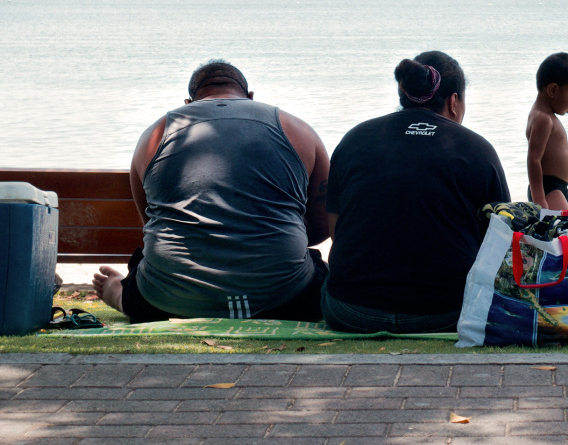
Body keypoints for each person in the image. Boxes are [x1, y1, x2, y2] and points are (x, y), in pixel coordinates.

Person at [92, 60, 330, 322]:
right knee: (317, 271)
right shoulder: (297, 129)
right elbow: (322, 226)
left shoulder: (153, 136)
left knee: (143, 269)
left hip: (168, 300)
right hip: (286, 297)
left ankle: (118, 293)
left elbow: (152, 224)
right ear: (250, 97)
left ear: (188, 103)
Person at [323, 51, 510, 333]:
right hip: (448, 312)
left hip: (351, 311)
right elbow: (499, 241)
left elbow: (337, 232)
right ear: (454, 101)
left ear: (404, 92)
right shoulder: (477, 149)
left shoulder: (354, 139)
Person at [526, 52, 568, 211]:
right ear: (553, 90)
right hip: (548, 188)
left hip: (556, 187)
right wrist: (539, 198)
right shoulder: (543, 119)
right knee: (564, 229)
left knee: (562, 229)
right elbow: (533, 160)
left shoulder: (546, 116)